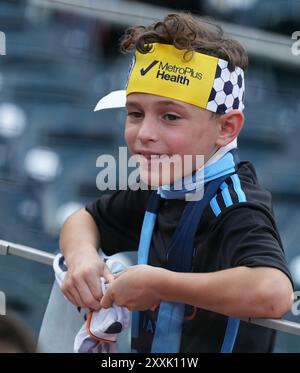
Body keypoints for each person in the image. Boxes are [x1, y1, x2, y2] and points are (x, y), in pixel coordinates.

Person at [59, 13, 293, 352]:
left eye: (170, 117)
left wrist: (161, 285)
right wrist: (82, 258)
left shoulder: (236, 204)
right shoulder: (162, 185)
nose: (145, 134)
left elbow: (274, 292)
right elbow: (84, 219)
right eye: (135, 113)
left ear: (226, 128)